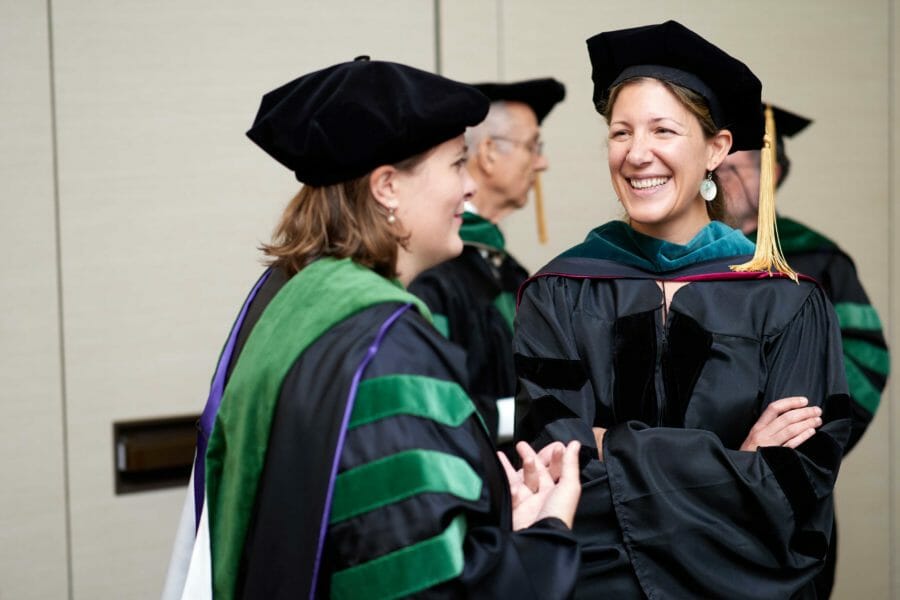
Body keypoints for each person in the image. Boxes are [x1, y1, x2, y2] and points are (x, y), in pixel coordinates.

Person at [162, 57, 583, 600]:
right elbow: (427, 582)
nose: (468, 189)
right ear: (387, 187)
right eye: (457, 164)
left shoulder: (286, 297)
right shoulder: (387, 345)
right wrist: (545, 536)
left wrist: (487, 506)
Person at [512, 21, 851, 598]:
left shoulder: (787, 300)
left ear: (717, 149)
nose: (637, 154)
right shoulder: (558, 293)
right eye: (620, 133)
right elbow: (551, 470)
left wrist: (607, 445)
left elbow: (794, 491)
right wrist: (735, 463)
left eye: (663, 130)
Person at [718, 104, 890, 597]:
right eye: (715, 168)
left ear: (771, 174)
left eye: (735, 168)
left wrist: (802, 448)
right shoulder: (677, 260)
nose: (721, 179)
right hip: (693, 489)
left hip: (792, 493)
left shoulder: (816, 259)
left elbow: (865, 361)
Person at [409, 78, 565, 447]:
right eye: (533, 146)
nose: (542, 162)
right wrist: (532, 416)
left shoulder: (511, 272)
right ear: (490, 151)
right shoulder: (431, 272)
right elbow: (433, 404)